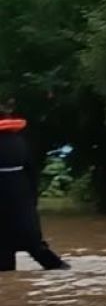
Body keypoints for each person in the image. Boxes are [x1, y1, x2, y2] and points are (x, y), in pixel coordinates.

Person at [0, 103, 68, 272]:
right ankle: (60, 269)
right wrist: (33, 199)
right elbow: (32, 172)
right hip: (22, 197)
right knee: (32, 243)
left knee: (5, 249)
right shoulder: (20, 142)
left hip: (10, 197)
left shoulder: (16, 142)